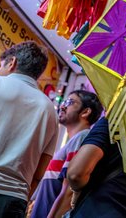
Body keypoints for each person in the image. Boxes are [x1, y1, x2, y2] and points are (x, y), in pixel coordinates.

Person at [0, 41, 58, 218]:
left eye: (1, 66)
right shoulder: (50, 111)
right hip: (13, 201)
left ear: (12, 63)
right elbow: (39, 173)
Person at [30, 90, 103, 218]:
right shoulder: (73, 141)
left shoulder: (82, 138)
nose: (62, 106)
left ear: (86, 112)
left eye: (70, 102)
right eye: (64, 101)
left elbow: (69, 192)